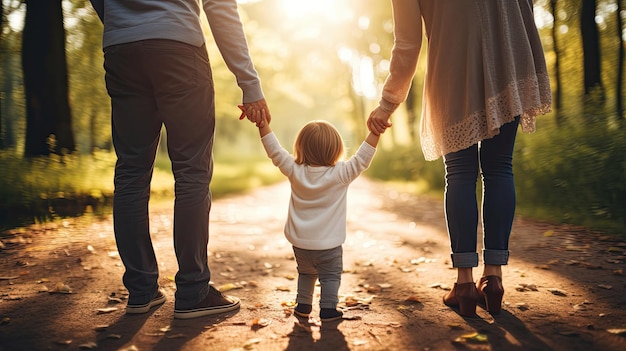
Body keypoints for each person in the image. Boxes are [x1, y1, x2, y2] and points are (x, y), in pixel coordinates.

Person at [367, 0, 551, 317]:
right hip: (508, 61)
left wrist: (387, 104)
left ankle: (464, 283)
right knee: (499, 169)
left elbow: (408, 43)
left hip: (453, 70)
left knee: (461, 173)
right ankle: (494, 278)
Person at [89, 0, 271, 319]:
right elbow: (220, 7)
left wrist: (122, 20)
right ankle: (193, 290)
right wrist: (249, 83)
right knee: (192, 172)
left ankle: (141, 290)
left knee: (131, 171)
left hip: (120, 47)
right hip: (178, 45)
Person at [249, 112, 380, 321]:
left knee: (306, 273)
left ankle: (303, 305)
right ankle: (328, 308)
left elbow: (274, 151)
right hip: (329, 245)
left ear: (300, 147)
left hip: (301, 243)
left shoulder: (294, 170)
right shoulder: (341, 173)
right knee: (330, 276)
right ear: (336, 148)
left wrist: (263, 125)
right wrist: (375, 133)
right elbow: (362, 159)